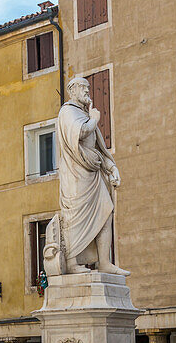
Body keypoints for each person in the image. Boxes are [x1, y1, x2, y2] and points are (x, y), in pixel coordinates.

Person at [55, 76, 128, 275]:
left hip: (92, 173)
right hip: (76, 176)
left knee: (106, 210)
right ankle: (71, 263)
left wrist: (111, 167)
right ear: (73, 90)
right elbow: (80, 134)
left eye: (88, 88)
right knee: (75, 217)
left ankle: (104, 262)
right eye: (84, 88)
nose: (88, 91)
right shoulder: (68, 112)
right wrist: (95, 119)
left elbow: (95, 148)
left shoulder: (83, 113)